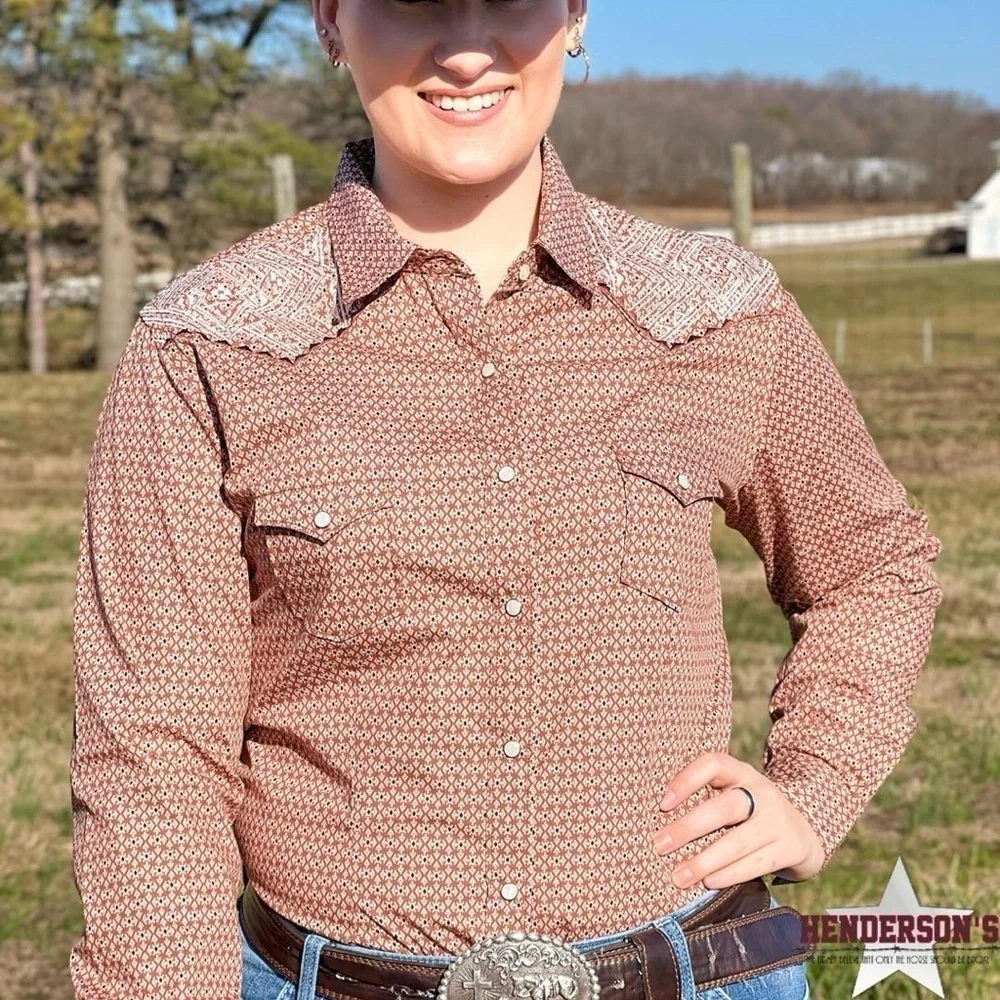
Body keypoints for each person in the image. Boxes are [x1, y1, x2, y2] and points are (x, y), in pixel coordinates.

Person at [67, 2, 943, 998]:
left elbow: (870, 563)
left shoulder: (715, 313)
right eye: (411, 5)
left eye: (512, 2)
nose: (469, 47)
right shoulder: (211, 343)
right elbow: (152, 750)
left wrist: (813, 783)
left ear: (573, 19)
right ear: (329, 22)